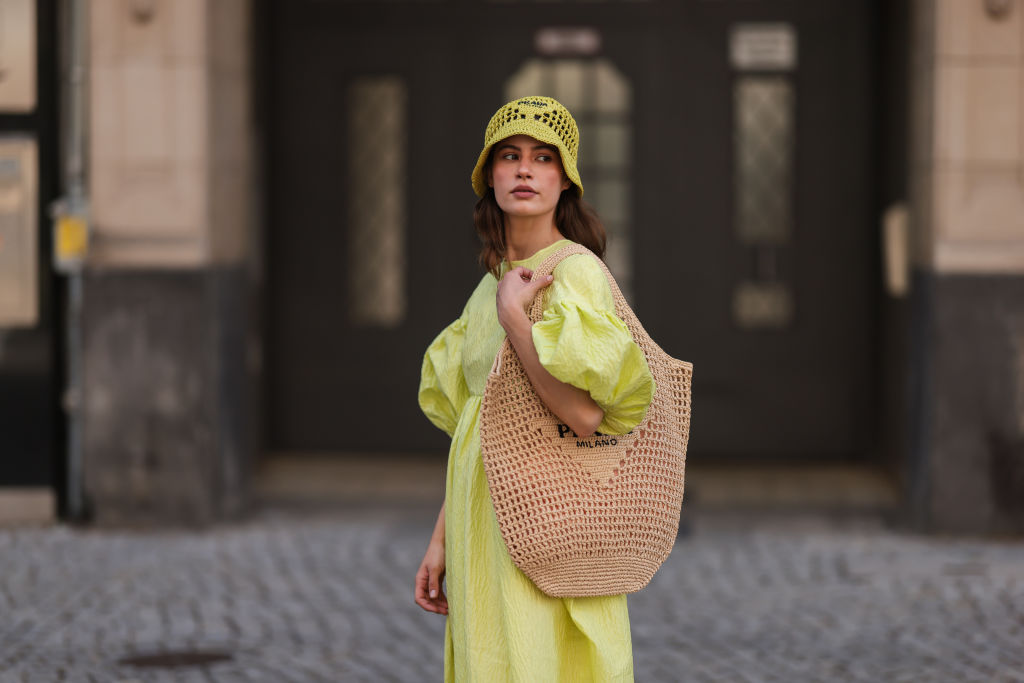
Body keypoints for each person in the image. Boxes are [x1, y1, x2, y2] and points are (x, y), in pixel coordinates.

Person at [414, 95, 655, 682]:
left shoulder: (575, 272)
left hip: (549, 524)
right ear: (489, 176)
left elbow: (585, 417)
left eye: (543, 158)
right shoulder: (489, 286)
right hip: (481, 526)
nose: (525, 169)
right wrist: (441, 538)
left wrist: (517, 321)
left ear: (564, 180)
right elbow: (481, 422)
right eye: (511, 156)